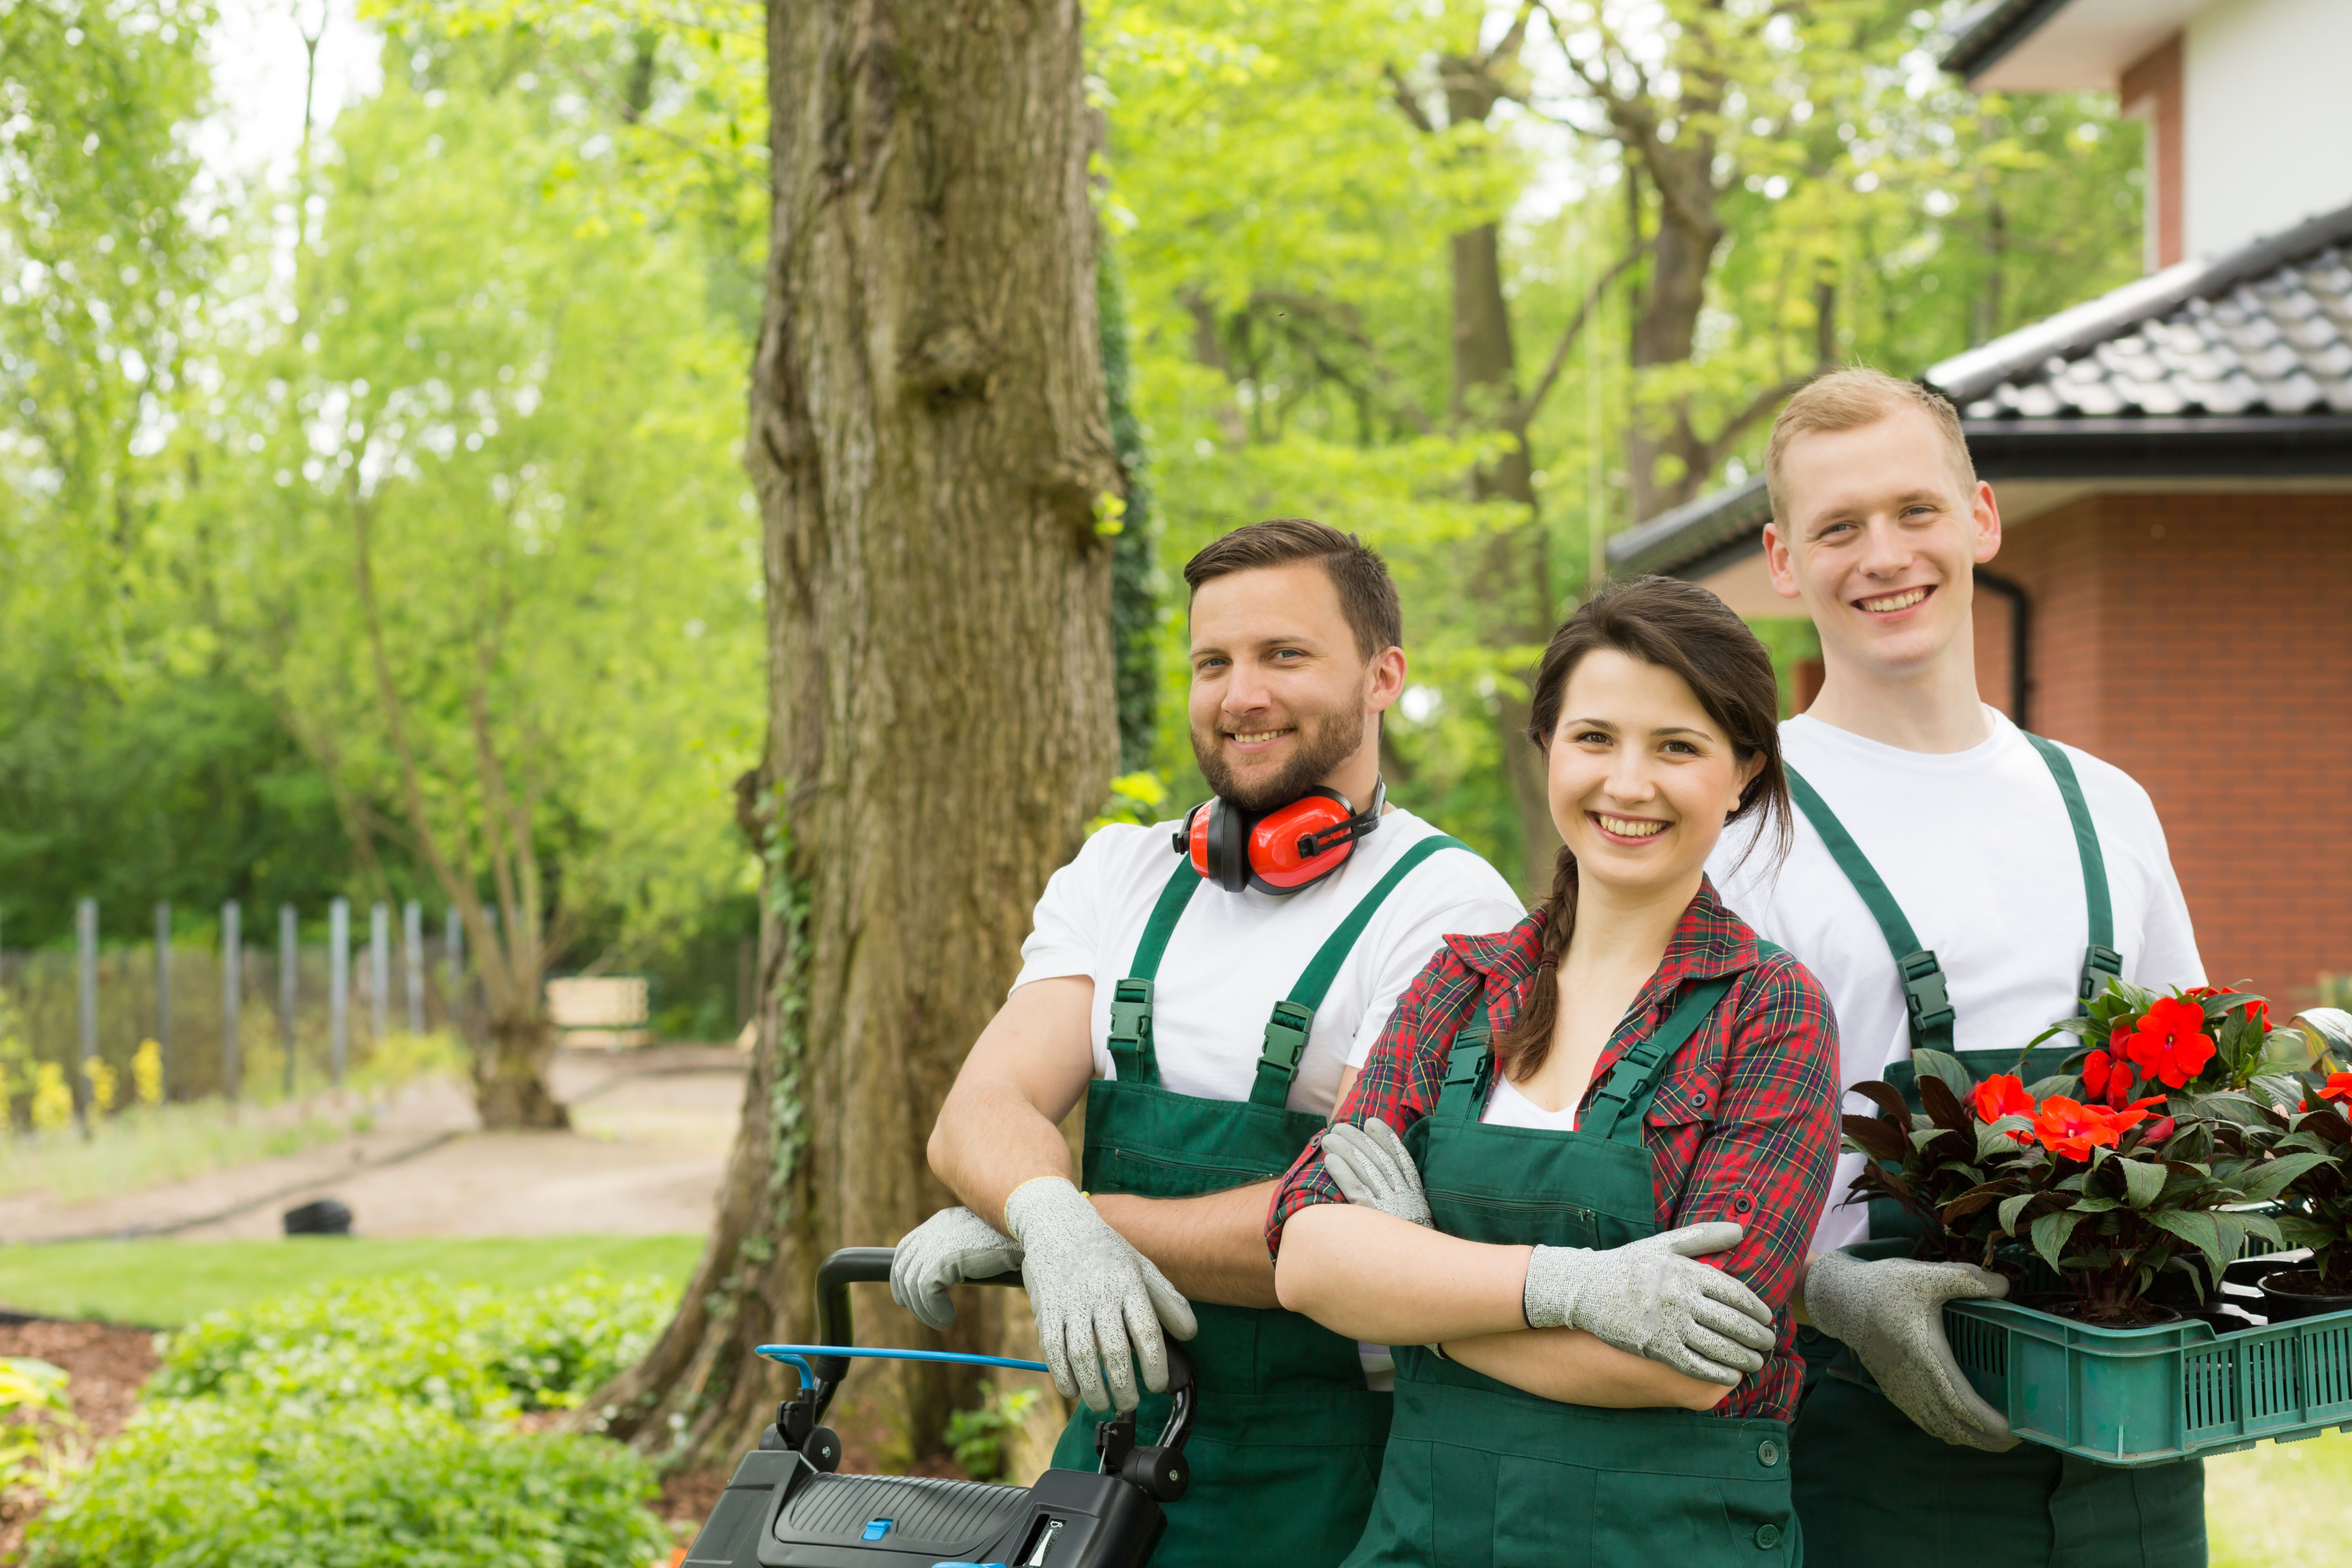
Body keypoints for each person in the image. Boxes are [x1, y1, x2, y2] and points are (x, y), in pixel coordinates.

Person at [891, 518, 1527, 1568]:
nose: (1242, 695)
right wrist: (1045, 1214)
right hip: (1108, 1455)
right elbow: (982, 1111)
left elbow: (1329, 1223)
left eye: (1285, 655)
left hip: (1329, 1472)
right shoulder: (1120, 875)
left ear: (1383, 677)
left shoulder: (1450, 908)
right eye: (1213, 663)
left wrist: (1060, 1225)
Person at [1706, 368, 2210, 1568]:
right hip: (1859, 1455)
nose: (1884, 555)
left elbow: (2196, 1111)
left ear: (1981, 518)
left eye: (1914, 511)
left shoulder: (2108, 806)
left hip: (2133, 1458)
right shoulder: (1735, 825)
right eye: (1839, 528)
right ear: (1785, 562)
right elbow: (1660, 1162)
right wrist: (1831, 1292)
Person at [1267, 575, 1841, 1568]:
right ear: (1548, 748)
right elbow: (1311, 1257)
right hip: (1427, 1540)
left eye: (1678, 746)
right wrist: (1572, 1288)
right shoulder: (1457, 989)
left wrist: (1423, 1302)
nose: (1628, 783)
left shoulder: (1771, 1013)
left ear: (1744, 771)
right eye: (1594, 738)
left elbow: (1703, 1357)